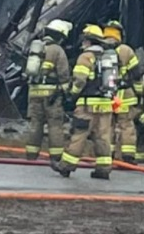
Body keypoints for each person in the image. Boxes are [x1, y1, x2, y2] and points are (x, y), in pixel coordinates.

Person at [55, 25, 115, 180]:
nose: (82, 43)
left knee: (79, 133)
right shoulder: (108, 57)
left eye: (84, 40)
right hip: (106, 103)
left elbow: (80, 80)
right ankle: (104, 169)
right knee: (103, 136)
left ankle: (66, 166)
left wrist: (72, 95)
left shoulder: (85, 57)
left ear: (88, 40)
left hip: (88, 103)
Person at [23, 19, 73, 163]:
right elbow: (64, 74)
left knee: (35, 124)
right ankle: (56, 157)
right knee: (55, 124)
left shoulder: (35, 48)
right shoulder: (57, 50)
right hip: (51, 94)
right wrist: (67, 93)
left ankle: (31, 155)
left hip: (34, 92)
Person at [102, 20, 144, 163]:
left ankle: (108, 154)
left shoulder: (100, 50)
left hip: (107, 96)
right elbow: (136, 74)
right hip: (124, 97)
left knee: (109, 125)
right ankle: (128, 156)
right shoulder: (126, 50)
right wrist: (139, 93)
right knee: (126, 125)